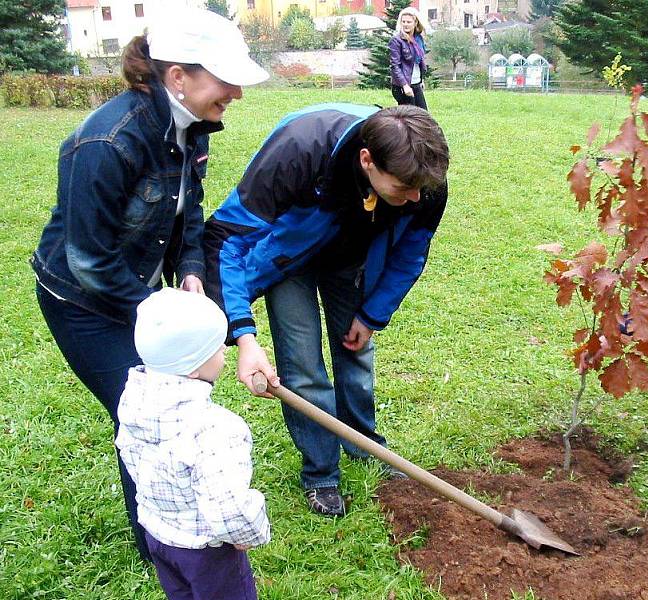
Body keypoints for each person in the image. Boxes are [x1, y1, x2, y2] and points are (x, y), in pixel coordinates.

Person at [30, 8, 267, 561]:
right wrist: (162, 311)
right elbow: (87, 258)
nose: (235, 91)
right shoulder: (106, 142)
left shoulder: (191, 130)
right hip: (83, 300)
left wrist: (188, 274)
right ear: (177, 76)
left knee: (168, 404)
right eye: (223, 77)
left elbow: (188, 217)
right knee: (142, 406)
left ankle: (172, 523)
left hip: (143, 292)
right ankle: (163, 539)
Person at [204, 104, 449, 517]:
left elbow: (411, 253)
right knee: (302, 368)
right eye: (403, 187)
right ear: (366, 160)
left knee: (356, 354)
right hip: (288, 262)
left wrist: (372, 315)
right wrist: (244, 334)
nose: (414, 198)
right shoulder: (298, 150)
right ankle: (321, 473)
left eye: (420, 190)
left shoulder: (424, 181)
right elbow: (228, 238)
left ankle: (364, 446)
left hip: (352, 261)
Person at [116, 289, 270, 600]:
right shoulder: (214, 428)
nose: (224, 353)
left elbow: (130, 456)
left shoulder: (133, 400)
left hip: (159, 538)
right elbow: (229, 508)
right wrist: (250, 533)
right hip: (205, 553)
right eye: (215, 348)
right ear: (193, 368)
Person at [389, 7, 429, 110]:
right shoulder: (396, 41)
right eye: (403, 22)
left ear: (415, 23)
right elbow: (395, 66)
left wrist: (421, 80)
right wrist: (405, 86)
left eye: (409, 22)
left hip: (416, 84)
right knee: (409, 119)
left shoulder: (418, 39)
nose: (406, 24)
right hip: (403, 87)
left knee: (423, 115)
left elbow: (419, 62)